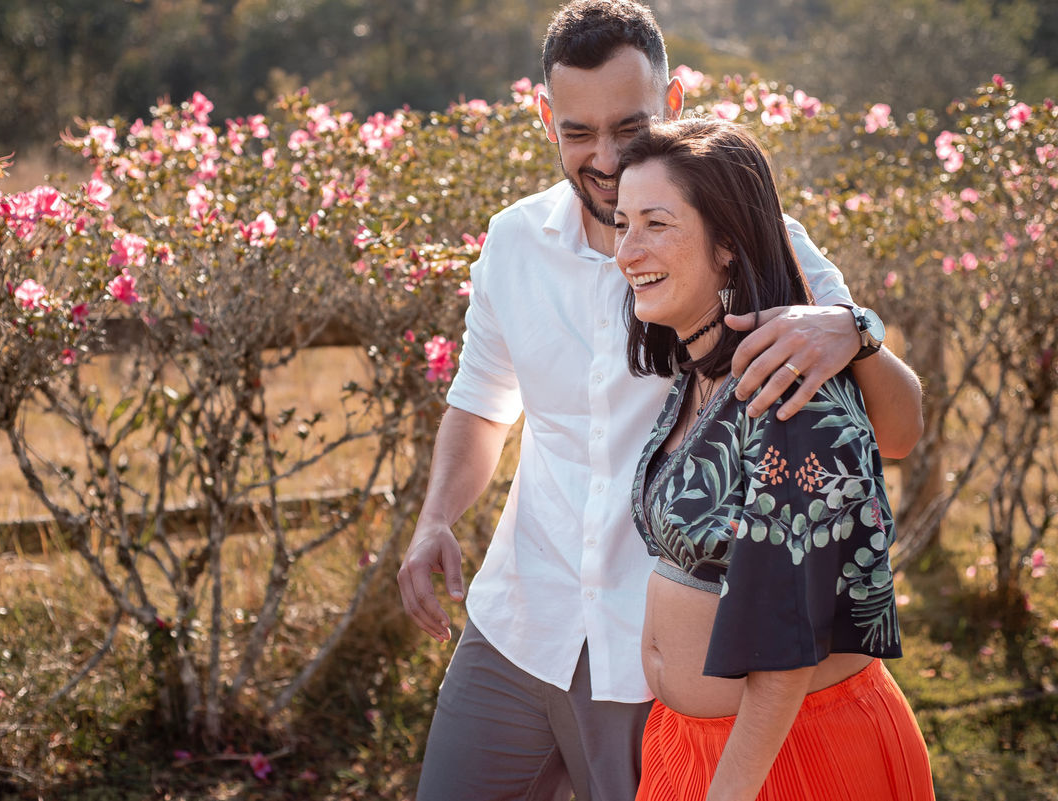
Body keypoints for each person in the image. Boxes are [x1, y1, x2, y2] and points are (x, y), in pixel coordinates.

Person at [397, 2, 924, 799]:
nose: (604, 158)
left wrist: (853, 328)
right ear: (545, 117)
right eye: (577, 132)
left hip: (662, 672)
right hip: (517, 621)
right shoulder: (511, 242)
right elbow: (481, 403)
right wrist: (435, 517)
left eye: (629, 127)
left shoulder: (759, 240)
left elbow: (891, 428)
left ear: (674, 104)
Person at [616, 117, 933, 801]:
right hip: (687, 745)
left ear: (727, 243)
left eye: (655, 224)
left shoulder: (790, 390)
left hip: (791, 755)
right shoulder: (696, 373)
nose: (627, 251)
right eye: (622, 224)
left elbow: (791, 633)